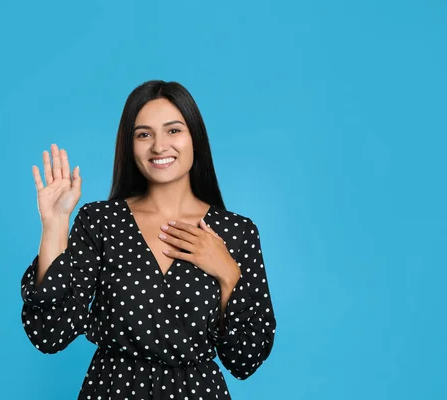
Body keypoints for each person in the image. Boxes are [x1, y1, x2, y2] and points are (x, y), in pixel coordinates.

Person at [20, 80, 276, 399]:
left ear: (195, 137)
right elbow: (49, 334)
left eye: (173, 130)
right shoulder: (101, 222)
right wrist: (55, 224)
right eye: (144, 134)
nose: (158, 146)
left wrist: (228, 274)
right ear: (130, 145)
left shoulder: (237, 232)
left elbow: (245, 360)